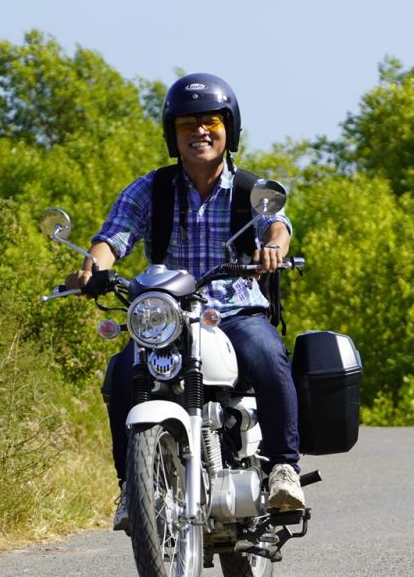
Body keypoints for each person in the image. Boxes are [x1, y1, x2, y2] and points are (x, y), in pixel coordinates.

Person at [68, 72, 305, 531]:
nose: (198, 131)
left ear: (228, 129)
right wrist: (93, 267)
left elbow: (277, 225)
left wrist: (273, 247)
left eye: (210, 121)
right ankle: (131, 490)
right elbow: (112, 238)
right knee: (121, 374)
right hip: (168, 316)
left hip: (232, 310)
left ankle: (283, 468)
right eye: (185, 124)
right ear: (171, 135)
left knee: (268, 354)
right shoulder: (150, 189)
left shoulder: (248, 190)